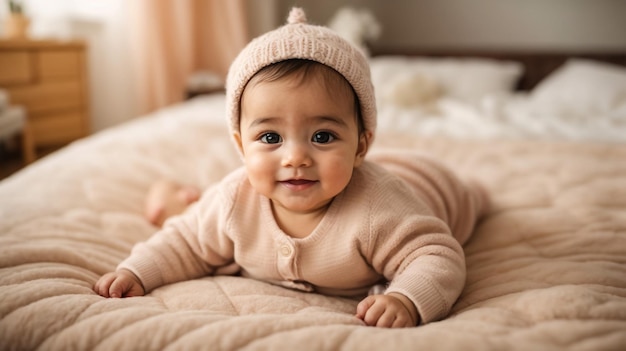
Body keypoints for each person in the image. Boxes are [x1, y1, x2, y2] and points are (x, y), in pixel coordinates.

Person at [94, 7, 488, 328]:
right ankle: (175, 192)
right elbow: (184, 241)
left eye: (322, 137)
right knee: (192, 214)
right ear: (240, 146)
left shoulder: (379, 208)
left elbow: (437, 255)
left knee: (474, 196)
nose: (295, 158)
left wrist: (407, 297)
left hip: (432, 186)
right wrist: (137, 273)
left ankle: (473, 189)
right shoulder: (235, 199)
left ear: (361, 145)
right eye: (269, 138)